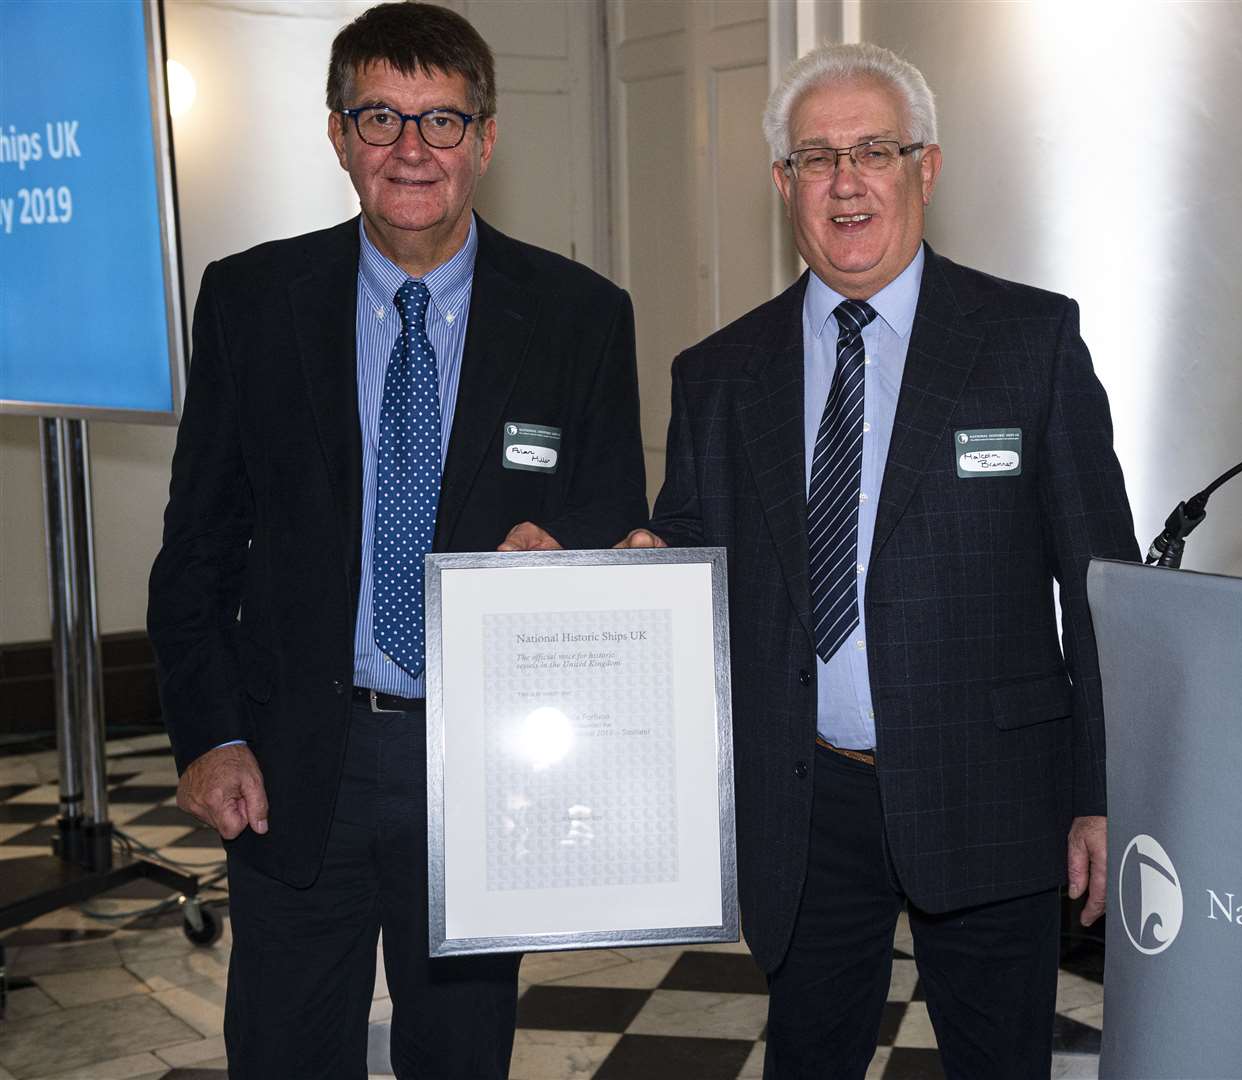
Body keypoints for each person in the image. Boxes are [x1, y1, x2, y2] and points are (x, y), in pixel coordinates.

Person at [618, 42, 1138, 1078]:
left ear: (925, 169)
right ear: (784, 185)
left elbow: (1100, 589)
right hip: (805, 801)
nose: (846, 180)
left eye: (874, 151)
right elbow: (687, 550)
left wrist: (1103, 789)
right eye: (816, 158)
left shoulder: (1028, 340)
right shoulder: (718, 375)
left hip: (991, 789)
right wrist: (638, 567)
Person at [146, 4, 645, 1075]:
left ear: (489, 138)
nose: (413, 150)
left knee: (461, 1059)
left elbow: (611, 530)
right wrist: (209, 736)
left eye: (443, 121)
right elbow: (194, 551)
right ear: (337, 134)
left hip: (487, 771)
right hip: (295, 765)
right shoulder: (250, 301)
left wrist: (573, 561)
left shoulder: (581, 318)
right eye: (381, 117)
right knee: (282, 1053)